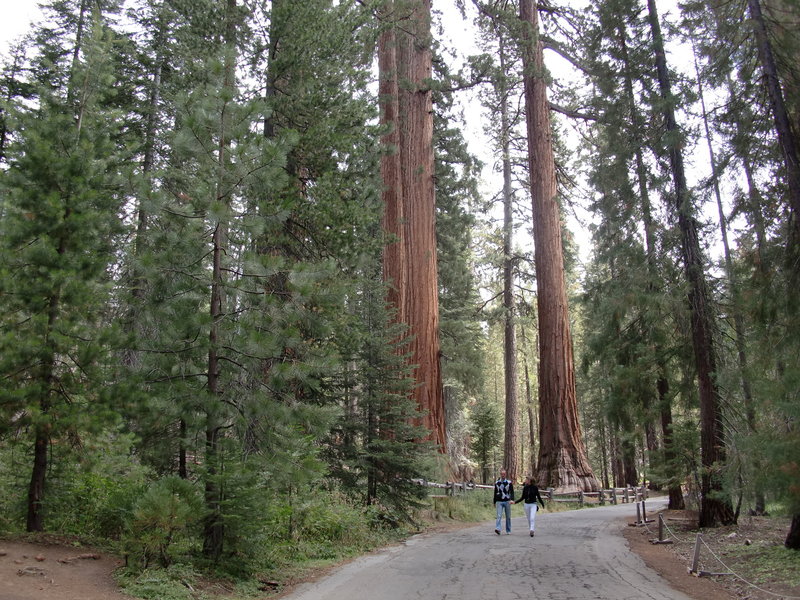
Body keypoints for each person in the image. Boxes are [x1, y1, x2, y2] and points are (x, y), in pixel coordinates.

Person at [493, 468, 514, 534]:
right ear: (500, 474)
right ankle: (498, 528)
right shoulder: (497, 483)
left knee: (508, 516)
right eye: (502, 474)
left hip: (507, 501)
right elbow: (495, 492)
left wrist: (512, 499)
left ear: (506, 474)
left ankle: (508, 530)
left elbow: (512, 492)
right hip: (499, 501)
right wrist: (494, 501)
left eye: (504, 474)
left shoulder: (509, 483)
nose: (503, 475)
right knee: (499, 515)